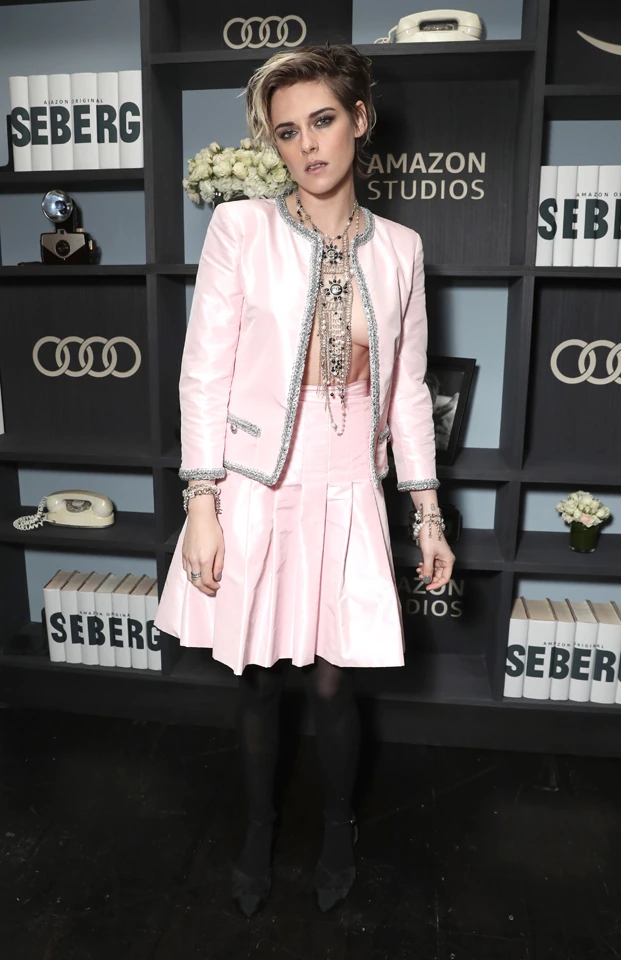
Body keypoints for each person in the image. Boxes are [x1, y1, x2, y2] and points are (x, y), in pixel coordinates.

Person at [153, 42, 456, 918]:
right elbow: (204, 372)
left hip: (349, 480)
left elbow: (408, 388)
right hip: (256, 480)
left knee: (333, 679)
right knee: (256, 676)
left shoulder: (401, 249)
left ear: (360, 119)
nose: (308, 145)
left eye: (323, 121)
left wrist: (427, 514)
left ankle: (336, 829)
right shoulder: (240, 229)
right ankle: (256, 832)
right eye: (287, 132)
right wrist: (202, 502)